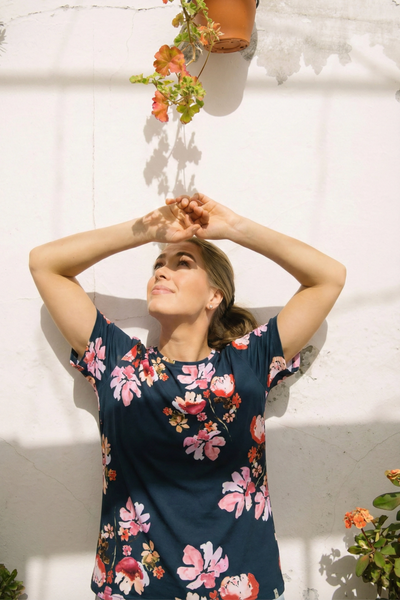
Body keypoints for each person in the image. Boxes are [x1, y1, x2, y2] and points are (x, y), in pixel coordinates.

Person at [29, 193, 346, 600]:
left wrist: (235, 229)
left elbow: (329, 277)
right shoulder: (118, 362)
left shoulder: (248, 363)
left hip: (240, 585)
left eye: (182, 263)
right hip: (135, 588)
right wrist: (146, 230)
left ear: (214, 296)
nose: (161, 271)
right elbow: (45, 264)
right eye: (158, 265)